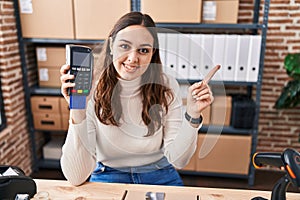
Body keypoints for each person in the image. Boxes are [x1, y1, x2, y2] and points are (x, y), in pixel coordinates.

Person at [60, 12, 214, 186]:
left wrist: (192, 114)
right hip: (109, 172)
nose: (133, 58)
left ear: (152, 54)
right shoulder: (92, 87)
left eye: (143, 50)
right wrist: (78, 107)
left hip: (159, 172)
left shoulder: (166, 85)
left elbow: (179, 160)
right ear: (111, 45)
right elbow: (76, 177)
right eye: (125, 46)